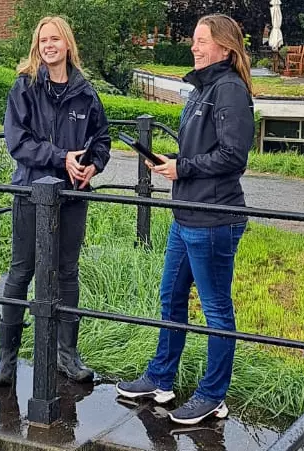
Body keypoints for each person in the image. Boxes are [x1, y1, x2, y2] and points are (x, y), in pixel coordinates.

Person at [116, 13, 255, 425]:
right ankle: (161, 379)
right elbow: (201, 151)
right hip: (186, 214)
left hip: (213, 217)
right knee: (171, 298)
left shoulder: (228, 89)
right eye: (194, 40)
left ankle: (213, 396)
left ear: (224, 48)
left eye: (201, 41)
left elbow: (234, 157)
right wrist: (176, 163)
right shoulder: (202, 89)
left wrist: (184, 168)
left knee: (216, 310)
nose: (193, 47)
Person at [0, 16, 111, 388]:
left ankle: (66, 356)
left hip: (73, 196)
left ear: (68, 44)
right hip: (31, 194)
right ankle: (6, 360)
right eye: (43, 40)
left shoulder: (86, 92)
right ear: (36, 45)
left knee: (68, 272)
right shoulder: (24, 88)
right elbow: (18, 143)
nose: (49, 45)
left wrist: (93, 165)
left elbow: (102, 139)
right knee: (21, 271)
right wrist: (61, 157)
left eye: (55, 39)